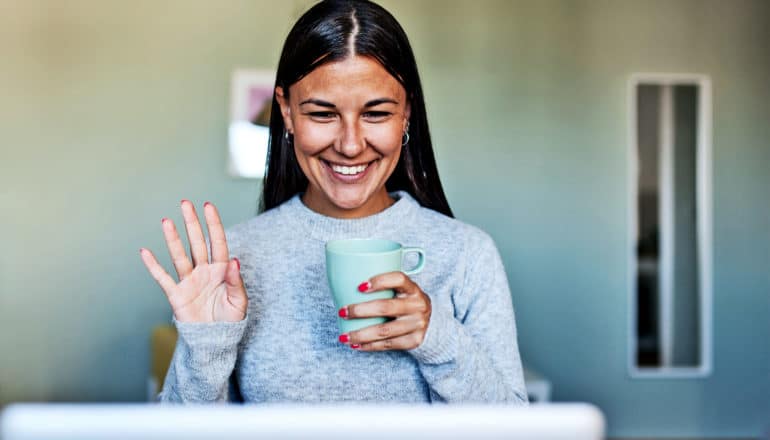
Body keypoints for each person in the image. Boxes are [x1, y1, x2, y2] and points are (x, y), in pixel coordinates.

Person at [139, 0, 528, 404]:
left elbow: (516, 430)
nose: (350, 144)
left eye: (376, 113)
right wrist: (206, 348)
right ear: (287, 111)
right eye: (322, 114)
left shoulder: (468, 254)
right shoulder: (236, 262)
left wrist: (437, 337)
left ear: (406, 113)